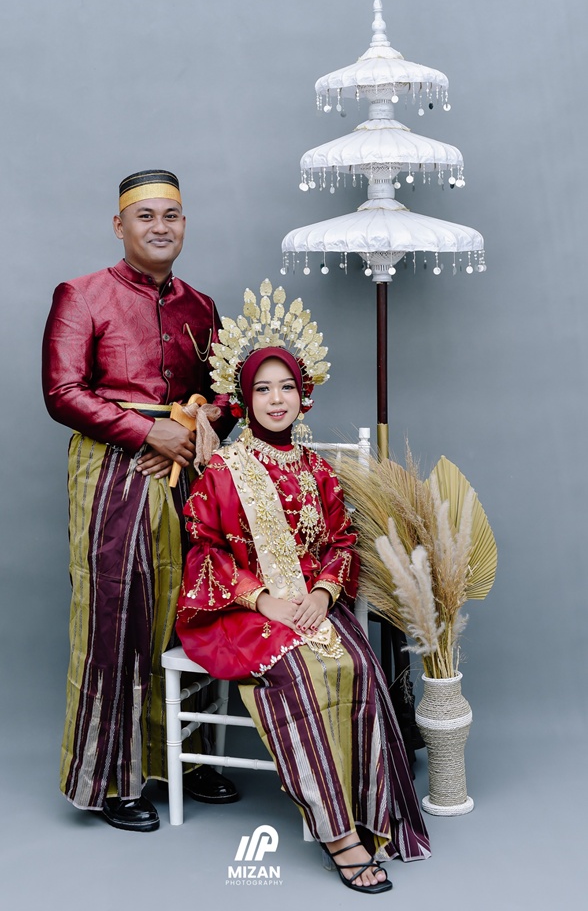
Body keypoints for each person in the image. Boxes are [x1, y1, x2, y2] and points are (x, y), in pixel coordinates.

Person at [176, 281, 430, 892]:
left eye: (286, 386)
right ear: (245, 398)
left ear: (303, 394)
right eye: (262, 389)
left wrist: (320, 595)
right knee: (296, 675)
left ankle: (370, 810)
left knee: (361, 666)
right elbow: (205, 550)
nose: (275, 399)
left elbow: (342, 543)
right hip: (242, 609)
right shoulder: (224, 469)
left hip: (311, 605)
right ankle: (338, 833)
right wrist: (263, 598)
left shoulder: (318, 470)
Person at [42, 169, 238, 830]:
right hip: (112, 472)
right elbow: (62, 392)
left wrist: (189, 430)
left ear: (185, 224)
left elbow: (228, 393)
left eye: (171, 215)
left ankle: (188, 760)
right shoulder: (82, 295)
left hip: (188, 472)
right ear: (119, 225)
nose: (160, 227)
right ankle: (112, 780)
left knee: (192, 609)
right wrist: (146, 432)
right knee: (117, 616)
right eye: (145, 215)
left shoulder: (201, 306)